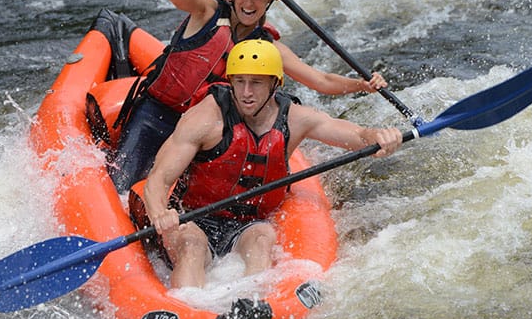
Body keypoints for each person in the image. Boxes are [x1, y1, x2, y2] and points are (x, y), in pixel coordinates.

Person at [108, 0, 388, 193]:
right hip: (157, 114)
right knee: (121, 186)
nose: (249, 3)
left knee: (180, 200)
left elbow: (320, 80)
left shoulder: (268, 47)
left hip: (205, 133)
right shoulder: (207, 10)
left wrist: (361, 85)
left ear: (270, 0)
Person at [142, 39, 402, 288]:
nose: (245, 92)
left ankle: (251, 307)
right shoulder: (206, 118)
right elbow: (159, 178)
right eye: (239, 82)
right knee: (191, 246)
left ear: (274, 84)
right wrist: (160, 214)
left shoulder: (295, 119)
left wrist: (377, 138)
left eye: (255, 83)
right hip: (194, 217)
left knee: (262, 239)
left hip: (248, 224)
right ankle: (189, 311)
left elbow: (355, 135)